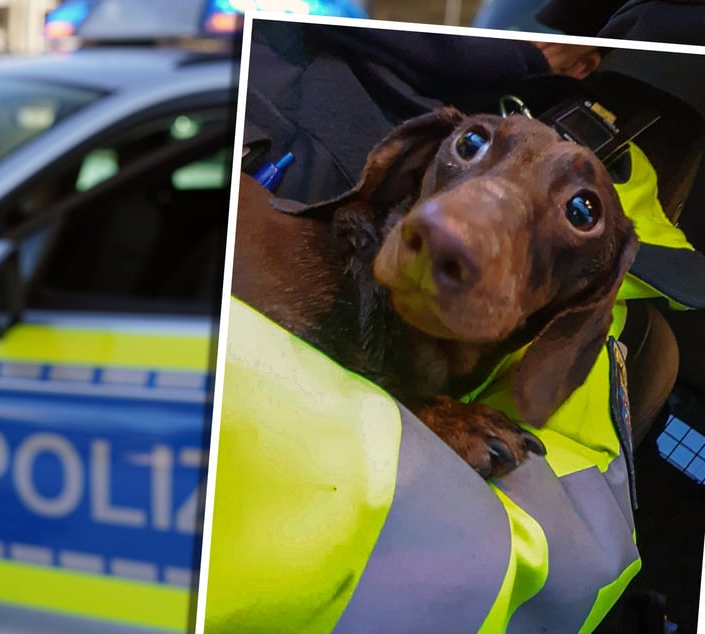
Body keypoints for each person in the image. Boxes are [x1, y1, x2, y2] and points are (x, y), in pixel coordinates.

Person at [202, 19, 705, 633]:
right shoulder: (281, 263)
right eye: (469, 146)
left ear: (589, 295)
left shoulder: (622, 325)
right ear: (409, 173)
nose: (455, 230)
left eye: (580, 212)